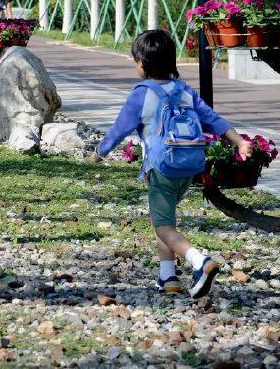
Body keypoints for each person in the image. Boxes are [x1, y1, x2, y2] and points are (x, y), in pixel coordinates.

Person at [93, 29, 251, 299]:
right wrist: (239, 142)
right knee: (163, 219)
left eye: (135, 61)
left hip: (161, 168)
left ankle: (199, 261)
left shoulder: (142, 93)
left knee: (163, 226)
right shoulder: (184, 91)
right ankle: (168, 277)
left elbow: (120, 127)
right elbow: (212, 118)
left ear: (142, 63)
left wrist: (100, 151)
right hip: (188, 167)